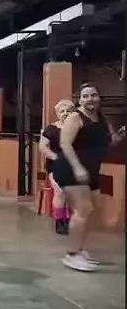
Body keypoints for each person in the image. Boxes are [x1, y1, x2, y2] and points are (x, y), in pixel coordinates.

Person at [52, 83, 125, 272]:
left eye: (93, 95)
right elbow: (65, 144)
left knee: (92, 211)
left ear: (99, 98)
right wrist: (77, 168)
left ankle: (80, 250)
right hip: (70, 168)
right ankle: (72, 255)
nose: (90, 99)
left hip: (91, 170)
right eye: (85, 96)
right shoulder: (75, 117)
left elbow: (109, 142)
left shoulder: (102, 119)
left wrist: (120, 135)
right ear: (79, 100)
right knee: (83, 208)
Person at [38, 99, 75, 235]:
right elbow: (42, 146)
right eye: (62, 111)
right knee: (60, 192)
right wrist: (56, 158)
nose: (65, 113)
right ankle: (59, 221)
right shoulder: (51, 129)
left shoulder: (78, 128)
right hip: (56, 166)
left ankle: (67, 219)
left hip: (73, 165)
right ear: (58, 113)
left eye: (68, 111)